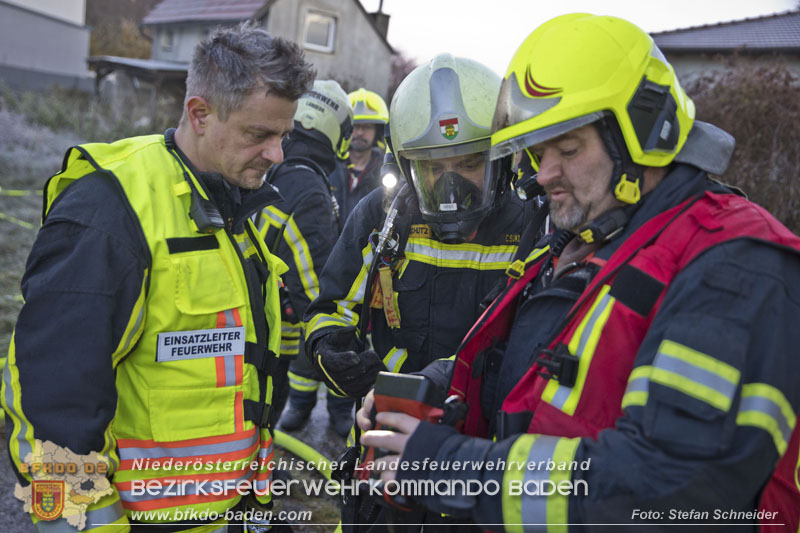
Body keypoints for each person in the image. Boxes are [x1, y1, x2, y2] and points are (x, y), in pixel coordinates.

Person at [359, 13, 800, 531]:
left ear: (643, 133)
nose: (545, 174)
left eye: (568, 150)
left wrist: (453, 468)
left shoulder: (735, 266)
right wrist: (431, 387)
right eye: (539, 152)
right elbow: (525, 362)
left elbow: (671, 486)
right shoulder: (589, 240)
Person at [2, 23, 315, 532]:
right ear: (199, 113)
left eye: (284, 135)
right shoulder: (111, 213)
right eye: (259, 135)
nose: (277, 155)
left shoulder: (230, 203)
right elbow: (51, 406)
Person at [304, 53, 542, 530]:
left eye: (470, 163)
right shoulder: (382, 218)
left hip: (478, 458)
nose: (450, 185)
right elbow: (330, 307)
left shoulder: (533, 230)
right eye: (434, 168)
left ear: (503, 155)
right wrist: (330, 352)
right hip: (385, 445)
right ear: (407, 164)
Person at [255, 79, 357, 438]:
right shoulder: (310, 191)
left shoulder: (276, 167)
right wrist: (337, 343)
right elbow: (313, 285)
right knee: (264, 412)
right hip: (273, 338)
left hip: (249, 329)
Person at [328, 88, 389, 221]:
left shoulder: (386, 171)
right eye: (355, 126)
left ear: (377, 132)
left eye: (367, 127)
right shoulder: (328, 166)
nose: (360, 133)